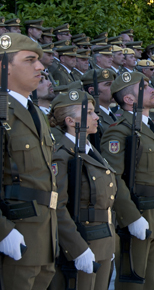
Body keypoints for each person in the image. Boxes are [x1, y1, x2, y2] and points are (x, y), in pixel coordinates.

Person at [101, 72, 154, 290]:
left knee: (150, 280)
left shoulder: (151, 127)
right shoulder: (119, 131)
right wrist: (130, 217)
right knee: (133, 280)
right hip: (137, 211)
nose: (152, 90)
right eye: (144, 87)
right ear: (129, 100)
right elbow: (113, 178)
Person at [0, 33, 59, 289]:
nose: (40, 67)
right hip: (15, 233)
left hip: (43, 236)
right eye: (30, 60)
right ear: (4, 67)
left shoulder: (33, 111)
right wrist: (3, 231)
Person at [48, 90, 117, 290]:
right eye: (89, 113)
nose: (96, 117)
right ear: (70, 120)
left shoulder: (91, 151)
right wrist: (78, 249)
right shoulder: (62, 156)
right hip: (82, 244)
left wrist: (109, 241)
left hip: (103, 241)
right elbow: (58, 208)